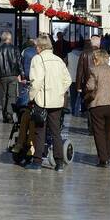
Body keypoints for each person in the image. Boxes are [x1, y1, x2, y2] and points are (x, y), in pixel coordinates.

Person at [28, 33, 72, 171]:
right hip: (57, 101)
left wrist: (31, 97)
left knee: (40, 131)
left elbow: (36, 81)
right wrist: (59, 91)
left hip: (42, 100)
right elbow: (68, 80)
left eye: (36, 46)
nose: (36, 49)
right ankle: (59, 162)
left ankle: (37, 161)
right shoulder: (58, 60)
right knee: (55, 132)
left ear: (40, 47)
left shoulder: (37, 59)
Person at [79, 48, 110, 166]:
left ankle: (103, 158)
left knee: (99, 132)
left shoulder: (94, 70)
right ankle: (109, 155)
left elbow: (90, 86)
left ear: (97, 59)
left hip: (97, 104)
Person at [0, 31, 21, 122]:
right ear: (10, 39)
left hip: (2, 76)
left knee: (4, 96)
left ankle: (5, 116)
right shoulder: (15, 49)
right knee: (12, 96)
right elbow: (19, 63)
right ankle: (9, 113)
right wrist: (20, 75)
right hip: (13, 76)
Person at [16, 38, 38, 108]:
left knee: (25, 91)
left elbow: (20, 64)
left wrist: (21, 75)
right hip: (35, 75)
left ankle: (22, 108)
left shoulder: (24, 51)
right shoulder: (38, 51)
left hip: (26, 75)